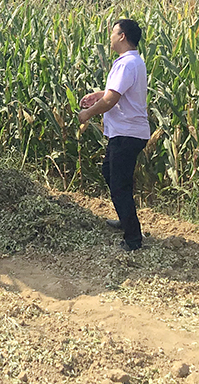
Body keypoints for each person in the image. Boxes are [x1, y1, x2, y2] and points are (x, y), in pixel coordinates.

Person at [78, 18, 150, 251]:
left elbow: (112, 99)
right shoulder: (131, 62)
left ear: (122, 36)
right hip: (126, 132)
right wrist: (97, 95)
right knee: (109, 172)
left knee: (119, 184)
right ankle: (125, 218)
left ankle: (133, 239)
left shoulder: (127, 63)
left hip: (127, 133)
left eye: (113, 32)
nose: (109, 36)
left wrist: (87, 113)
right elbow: (114, 92)